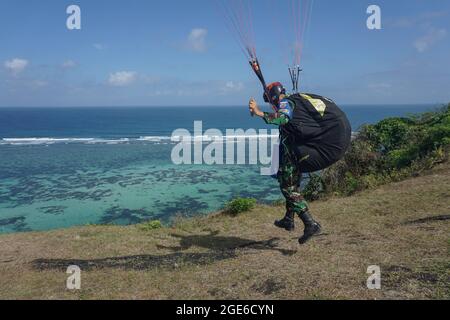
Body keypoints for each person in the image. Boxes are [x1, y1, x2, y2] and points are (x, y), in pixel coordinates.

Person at [249, 82, 352, 244]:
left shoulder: (286, 103)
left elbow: (283, 118)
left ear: (274, 97)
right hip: (332, 142)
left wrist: (259, 113)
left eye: (270, 101)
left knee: (287, 187)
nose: (272, 105)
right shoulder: (294, 100)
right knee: (291, 180)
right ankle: (288, 219)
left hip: (322, 147)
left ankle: (311, 224)